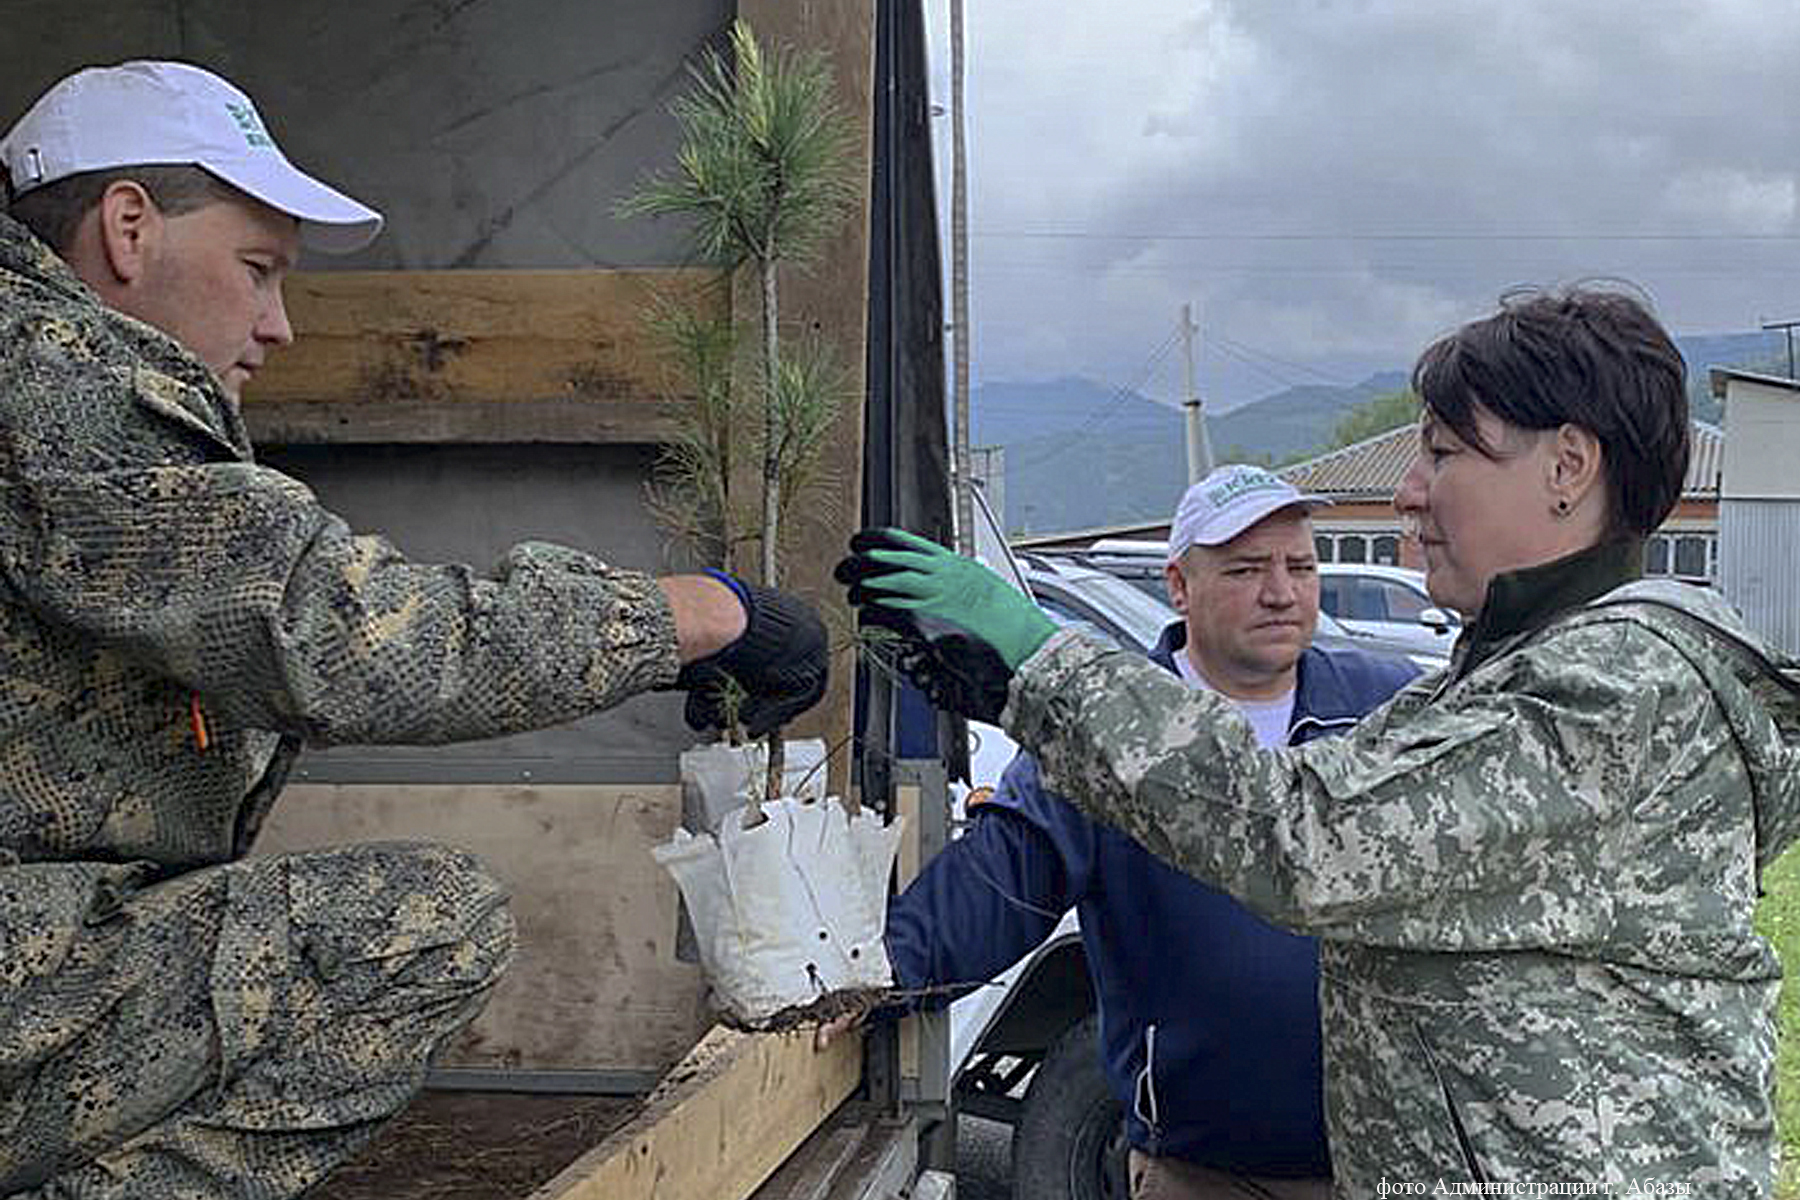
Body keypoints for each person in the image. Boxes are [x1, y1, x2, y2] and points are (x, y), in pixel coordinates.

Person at [0, 60, 828, 1199]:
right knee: (422, 925)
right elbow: (341, 638)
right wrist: (701, 612)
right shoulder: (55, 380)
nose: (279, 325)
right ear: (129, 229)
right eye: (258, 270)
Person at [840, 286, 1800, 1195]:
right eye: (1245, 566)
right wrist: (1028, 697)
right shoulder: (1488, 681)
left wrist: (1048, 661)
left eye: (1445, 454)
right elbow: (1287, 798)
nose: (1409, 495)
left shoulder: (1616, 688)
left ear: (1567, 468)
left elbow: (1308, 841)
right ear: (1182, 587)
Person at [865, 465, 1415, 1200]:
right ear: (1180, 587)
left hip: (1398, 1167)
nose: (1282, 592)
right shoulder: (1102, 739)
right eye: (1247, 569)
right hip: (1204, 1173)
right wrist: (866, 977)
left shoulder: (1383, 708)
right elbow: (997, 889)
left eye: (1301, 566)